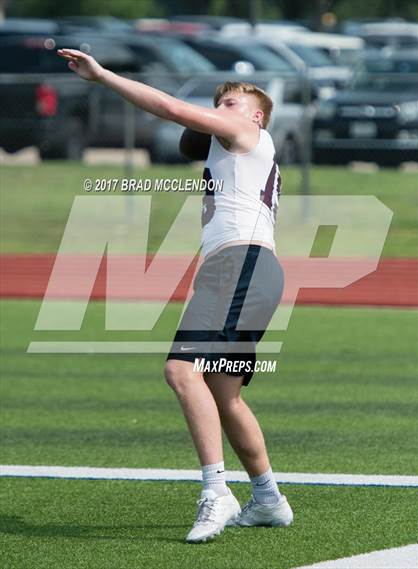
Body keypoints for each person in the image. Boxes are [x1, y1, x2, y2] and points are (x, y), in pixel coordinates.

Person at [57, 47, 293, 543]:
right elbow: (187, 135)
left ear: (256, 115)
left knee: (180, 370)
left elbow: (170, 110)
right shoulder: (230, 148)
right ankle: (268, 498)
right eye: (219, 103)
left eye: (230, 102)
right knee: (222, 395)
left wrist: (102, 76)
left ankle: (216, 492)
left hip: (240, 265)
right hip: (254, 268)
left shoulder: (249, 131)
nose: (221, 109)